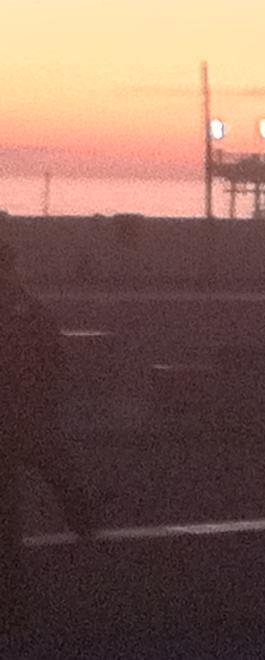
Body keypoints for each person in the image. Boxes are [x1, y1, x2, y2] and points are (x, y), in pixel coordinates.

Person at [0, 241, 97, 628]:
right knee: (56, 468)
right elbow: (54, 360)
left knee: (8, 513)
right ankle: (85, 521)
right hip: (29, 416)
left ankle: (12, 597)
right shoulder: (30, 307)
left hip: (12, 417)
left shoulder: (24, 308)